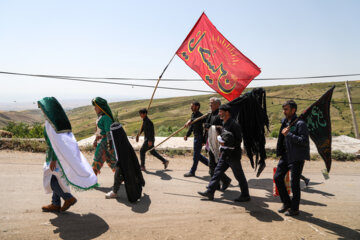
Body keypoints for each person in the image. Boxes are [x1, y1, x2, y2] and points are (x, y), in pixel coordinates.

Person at [39, 97, 98, 213]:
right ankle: (55, 204)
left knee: (52, 179)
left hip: (56, 157)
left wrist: (54, 160)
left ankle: (68, 198)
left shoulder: (51, 124)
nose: (41, 111)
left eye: (42, 108)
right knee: (57, 178)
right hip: (58, 156)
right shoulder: (57, 121)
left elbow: (55, 144)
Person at [198, 104, 250, 202]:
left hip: (233, 155)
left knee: (239, 175)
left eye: (221, 112)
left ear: (227, 113)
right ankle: (210, 192)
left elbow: (238, 140)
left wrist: (226, 143)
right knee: (217, 172)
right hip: (225, 154)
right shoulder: (224, 123)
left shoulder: (234, 125)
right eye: (219, 112)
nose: (219, 114)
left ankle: (245, 195)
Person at [274, 100, 310, 216]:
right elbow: (281, 137)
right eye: (283, 109)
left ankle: (295, 209)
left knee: (294, 184)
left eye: (286, 109)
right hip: (285, 155)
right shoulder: (285, 121)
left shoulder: (300, 124)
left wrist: (288, 135)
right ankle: (286, 203)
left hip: (297, 157)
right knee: (278, 178)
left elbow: (304, 141)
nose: (284, 112)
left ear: (293, 110)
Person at [203, 97, 231, 190]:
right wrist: (204, 140)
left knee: (215, 166)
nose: (210, 105)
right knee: (212, 165)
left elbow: (223, 128)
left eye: (212, 103)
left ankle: (221, 182)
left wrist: (211, 127)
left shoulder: (221, 115)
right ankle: (218, 184)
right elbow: (207, 129)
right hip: (211, 143)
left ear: (218, 104)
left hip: (219, 144)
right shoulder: (210, 114)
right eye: (210, 103)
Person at [91, 97, 117, 176]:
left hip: (105, 143)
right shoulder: (100, 117)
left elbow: (109, 133)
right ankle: (121, 177)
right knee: (112, 162)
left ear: (101, 107)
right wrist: (95, 140)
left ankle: (92, 180)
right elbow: (99, 132)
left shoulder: (106, 118)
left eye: (96, 106)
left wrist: (110, 147)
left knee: (97, 161)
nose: (95, 108)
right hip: (101, 142)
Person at [183, 101, 209, 177]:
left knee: (195, 156)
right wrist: (187, 135)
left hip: (200, 137)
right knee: (198, 155)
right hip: (196, 137)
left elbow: (204, 128)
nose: (191, 107)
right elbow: (191, 126)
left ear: (197, 107)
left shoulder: (201, 116)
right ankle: (212, 166)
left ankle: (192, 171)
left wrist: (204, 140)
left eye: (193, 106)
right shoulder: (193, 115)